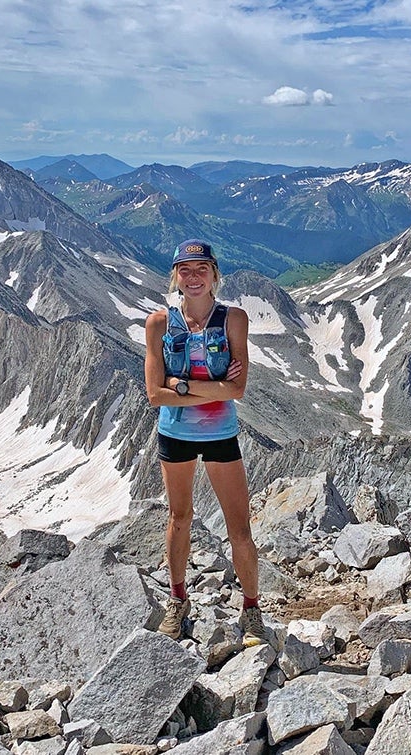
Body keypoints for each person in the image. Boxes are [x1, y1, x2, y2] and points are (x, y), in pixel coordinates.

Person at [143, 239, 264, 646]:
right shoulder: (158, 323)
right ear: (175, 276)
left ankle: (251, 609)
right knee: (179, 517)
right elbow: (152, 395)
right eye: (185, 270)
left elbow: (239, 390)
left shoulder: (234, 319)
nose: (193, 278)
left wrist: (181, 386)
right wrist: (212, 388)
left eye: (201, 270)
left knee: (239, 527)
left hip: (219, 435)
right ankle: (178, 600)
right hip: (175, 433)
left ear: (215, 274)